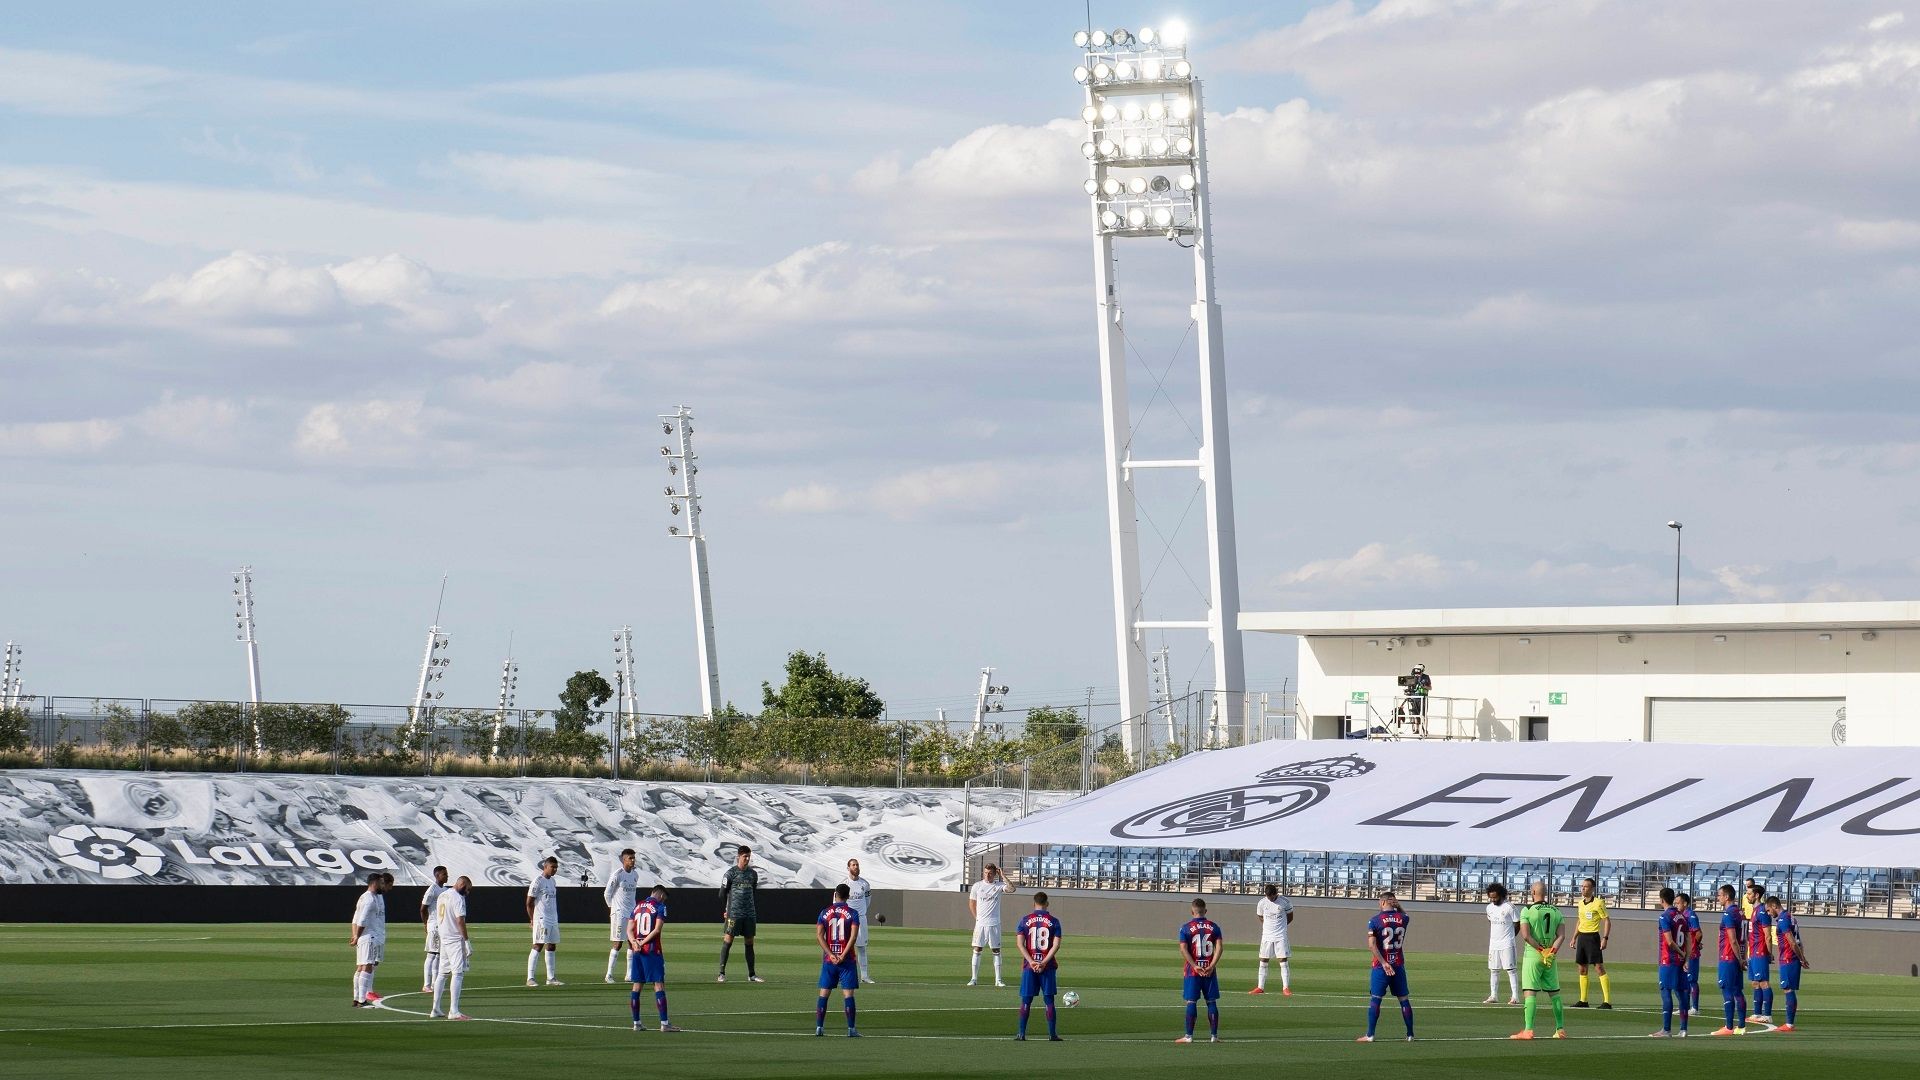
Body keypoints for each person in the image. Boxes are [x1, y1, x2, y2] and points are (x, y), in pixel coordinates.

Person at [1510, 881, 1567, 1039]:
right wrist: (1551, 952)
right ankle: (1560, 1029)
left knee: (1530, 993)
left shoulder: (1527, 910)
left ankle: (1528, 1030)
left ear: (1533, 892)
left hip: (1534, 955)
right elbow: (1561, 935)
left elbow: (1526, 936)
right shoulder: (1556, 910)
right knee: (1554, 993)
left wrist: (1541, 950)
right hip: (1550, 956)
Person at [1358, 891, 1414, 1043]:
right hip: (1398, 964)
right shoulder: (1404, 919)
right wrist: (1398, 906)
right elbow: (1404, 914)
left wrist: (1383, 963)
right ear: (1394, 902)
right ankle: (1410, 1035)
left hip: (1381, 966)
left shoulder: (1375, 920)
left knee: (1376, 999)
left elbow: (1372, 945)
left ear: (1383, 902)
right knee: (1404, 999)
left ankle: (1370, 1035)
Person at [627, 885, 681, 1032]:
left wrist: (634, 942)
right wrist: (643, 943)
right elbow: (657, 930)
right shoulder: (660, 906)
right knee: (658, 984)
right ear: (662, 895)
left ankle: (636, 1023)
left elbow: (629, 929)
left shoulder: (638, 906)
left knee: (637, 985)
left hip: (636, 950)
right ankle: (664, 1024)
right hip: (651, 950)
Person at [814, 883, 862, 1037]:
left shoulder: (824, 912)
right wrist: (842, 955)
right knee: (848, 995)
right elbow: (853, 937)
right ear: (848, 896)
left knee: (824, 994)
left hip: (829, 961)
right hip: (846, 961)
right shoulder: (853, 913)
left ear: (835, 894)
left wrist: (830, 954)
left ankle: (819, 1028)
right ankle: (851, 1029)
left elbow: (819, 936)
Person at [1014, 892, 1063, 1041]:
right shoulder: (1054, 922)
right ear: (1047, 903)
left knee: (1026, 1000)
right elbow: (1056, 945)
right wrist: (1044, 962)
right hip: (1047, 967)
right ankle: (1052, 1034)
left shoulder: (1024, 920)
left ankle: (1021, 1034)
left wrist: (1031, 961)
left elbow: (1019, 944)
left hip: (1030, 967)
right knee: (1049, 1000)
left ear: (1034, 903)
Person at [1175, 897, 1224, 1044]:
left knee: (1191, 1001)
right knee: (1211, 1002)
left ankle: (1189, 1036)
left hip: (1192, 971)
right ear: (1206, 911)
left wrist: (1195, 965)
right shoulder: (1214, 927)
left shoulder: (1185, 928)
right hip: (1209, 970)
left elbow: (1183, 949)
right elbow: (1219, 947)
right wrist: (1212, 965)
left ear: (1192, 911)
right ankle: (1214, 1036)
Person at [718, 845, 764, 983]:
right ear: (738, 857)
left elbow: (753, 892)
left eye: (749, 856)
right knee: (728, 940)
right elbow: (722, 894)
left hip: (749, 914)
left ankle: (752, 975)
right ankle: (721, 973)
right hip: (734, 913)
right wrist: (726, 910)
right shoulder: (730, 873)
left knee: (749, 942)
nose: (747, 859)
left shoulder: (753, 874)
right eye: (745, 857)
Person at [430, 875, 473, 1021]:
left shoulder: (443, 895)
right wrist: (466, 941)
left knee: (442, 974)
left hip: (444, 938)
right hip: (455, 939)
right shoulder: (457, 898)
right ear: (462, 884)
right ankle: (453, 1010)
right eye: (467, 889)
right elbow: (460, 920)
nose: (467, 892)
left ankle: (435, 1008)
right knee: (458, 973)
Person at [968, 863, 1016, 987]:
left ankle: (998, 980)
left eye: (990, 873)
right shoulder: (977, 886)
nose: (987, 875)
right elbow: (972, 903)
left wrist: (1003, 876)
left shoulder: (999, 886)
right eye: (985, 873)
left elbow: (1012, 889)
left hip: (994, 923)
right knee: (977, 949)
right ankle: (974, 979)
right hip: (980, 924)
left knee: (996, 950)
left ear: (995, 874)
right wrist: (977, 918)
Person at [1710, 884, 1750, 1036]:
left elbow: (1733, 940)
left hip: (1728, 957)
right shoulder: (1742, 914)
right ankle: (1741, 1026)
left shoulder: (1728, 914)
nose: (1718, 898)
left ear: (1726, 897)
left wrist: (1739, 959)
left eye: (1719, 895)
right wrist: (1743, 957)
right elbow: (1744, 938)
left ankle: (1728, 1026)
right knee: (1737, 990)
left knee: (1727, 990)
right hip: (1737, 956)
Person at [1651, 887, 1690, 1037]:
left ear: (1661, 900)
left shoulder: (1664, 917)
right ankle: (1684, 1029)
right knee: (1681, 993)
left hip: (1668, 960)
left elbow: (1669, 941)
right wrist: (1686, 958)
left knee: (1666, 991)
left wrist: (1680, 953)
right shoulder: (1681, 916)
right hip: (1681, 962)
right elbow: (1687, 939)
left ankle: (1666, 1029)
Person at [1767, 895, 1808, 1031]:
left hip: (1788, 958)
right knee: (1788, 989)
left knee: (1787, 989)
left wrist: (1801, 958)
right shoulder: (1791, 917)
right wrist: (1802, 956)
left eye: (1768, 910)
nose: (1768, 913)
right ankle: (1789, 1023)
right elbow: (1799, 940)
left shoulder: (1783, 920)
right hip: (1792, 958)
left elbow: (1792, 941)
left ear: (1774, 906)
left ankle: (1789, 1024)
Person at [1571, 877, 1612, 1009]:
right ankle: (1583, 1000)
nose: (1583, 888)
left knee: (1598, 968)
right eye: (1582, 886)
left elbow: (1607, 920)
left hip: (1593, 937)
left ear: (1592, 889)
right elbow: (1579, 921)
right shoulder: (1580, 904)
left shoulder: (1599, 903)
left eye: (1586, 886)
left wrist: (1605, 938)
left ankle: (1607, 1001)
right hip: (1582, 937)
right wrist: (1574, 937)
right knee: (1582, 968)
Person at [350, 872, 389, 1007]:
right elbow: (361, 920)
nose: (383, 886)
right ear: (375, 883)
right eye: (381, 883)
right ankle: (362, 1000)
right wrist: (357, 936)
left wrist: (355, 935)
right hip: (369, 937)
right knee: (367, 967)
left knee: (361, 967)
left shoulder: (364, 897)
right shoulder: (370, 900)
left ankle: (356, 999)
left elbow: (355, 919)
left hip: (364, 937)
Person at [1250, 883, 1294, 996]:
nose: (1270, 899)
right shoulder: (1262, 903)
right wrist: (1268, 926)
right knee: (1263, 960)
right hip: (1266, 936)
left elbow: (1290, 917)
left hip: (1280, 935)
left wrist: (1281, 926)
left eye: (1272, 897)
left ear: (1276, 894)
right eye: (1268, 897)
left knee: (1283, 961)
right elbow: (1260, 916)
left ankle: (1285, 988)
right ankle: (1260, 987)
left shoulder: (1285, 902)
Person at [527, 855, 564, 987]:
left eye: (556, 867)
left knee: (552, 945)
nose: (554, 869)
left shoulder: (552, 881)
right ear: (545, 866)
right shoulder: (538, 881)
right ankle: (530, 977)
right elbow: (529, 902)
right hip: (541, 919)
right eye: (552, 867)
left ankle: (551, 978)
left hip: (553, 918)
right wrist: (532, 919)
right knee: (538, 945)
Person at [605, 848, 640, 984]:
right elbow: (607, 893)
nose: (632, 860)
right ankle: (609, 974)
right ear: (623, 860)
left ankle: (629, 975)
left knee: (632, 943)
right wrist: (612, 908)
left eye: (633, 858)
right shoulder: (617, 875)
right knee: (618, 943)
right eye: (630, 858)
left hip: (632, 914)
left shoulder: (635, 875)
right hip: (619, 913)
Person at [1483, 883, 1520, 1005]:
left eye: (1495, 897)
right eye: (1491, 898)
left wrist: (1510, 937)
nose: (1493, 900)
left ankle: (1515, 997)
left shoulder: (1510, 907)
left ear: (1502, 895)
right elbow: (1490, 921)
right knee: (1494, 970)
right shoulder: (1489, 908)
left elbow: (1517, 923)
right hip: (1493, 944)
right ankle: (1493, 995)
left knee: (1511, 969)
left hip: (1507, 943)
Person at [842, 857, 875, 984]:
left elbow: (867, 901)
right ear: (848, 868)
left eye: (857, 865)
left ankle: (864, 976)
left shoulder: (865, 884)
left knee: (861, 948)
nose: (856, 867)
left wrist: (861, 913)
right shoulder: (843, 884)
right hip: (846, 920)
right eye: (853, 865)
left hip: (860, 919)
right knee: (844, 948)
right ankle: (844, 975)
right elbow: (836, 902)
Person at [1747, 887, 1775, 1024]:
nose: (1747, 896)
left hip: (1760, 951)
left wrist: (1769, 953)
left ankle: (1768, 1015)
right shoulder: (1754, 911)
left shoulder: (1763, 911)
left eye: (1749, 894)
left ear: (1757, 895)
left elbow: (1768, 935)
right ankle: (1757, 1013)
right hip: (1752, 952)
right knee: (1755, 982)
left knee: (1764, 982)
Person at [421, 864, 449, 993]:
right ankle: (426, 984)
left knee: (438, 955)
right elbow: (423, 908)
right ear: (437, 875)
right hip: (434, 925)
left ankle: (434, 983)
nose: (447, 876)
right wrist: (426, 924)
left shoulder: (445, 890)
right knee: (432, 954)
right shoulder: (432, 889)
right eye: (444, 874)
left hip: (442, 926)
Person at [1679, 892, 1704, 1012]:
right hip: (1684, 953)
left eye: (1678, 903)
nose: (1676, 905)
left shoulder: (1691, 915)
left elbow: (1698, 933)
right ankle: (1685, 1006)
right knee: (1683, 980)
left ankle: (1695, 1007)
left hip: (1692, 953)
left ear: (1685, 903)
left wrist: (1696, 945)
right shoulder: (1681, 915)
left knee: (1692, 979)